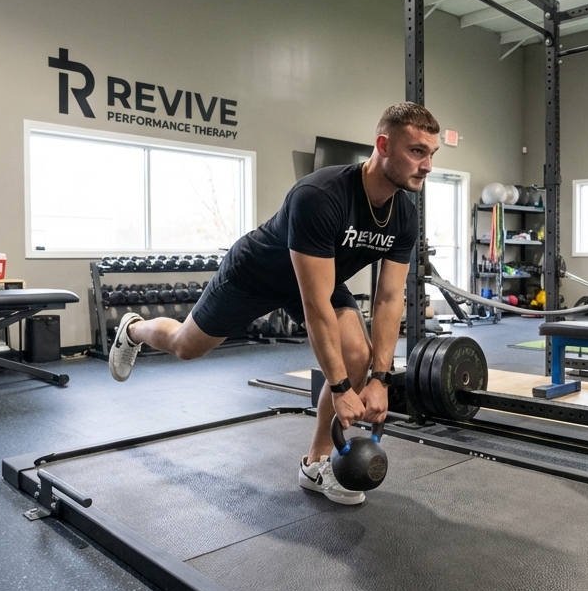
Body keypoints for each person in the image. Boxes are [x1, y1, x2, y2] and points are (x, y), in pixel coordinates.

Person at [109, 101, 439, 505]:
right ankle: (134, 329)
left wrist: (379, 379)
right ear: (383, 145)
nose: (426, 166)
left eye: (431, 154)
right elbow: (316, 305)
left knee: (356, 353)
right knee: (185, 345)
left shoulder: (404, 214)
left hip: (319, 278)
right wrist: (340, 388)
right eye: (416, 151)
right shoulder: (320, 195)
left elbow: (388, 299)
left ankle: (316, 464)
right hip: (256, 275)